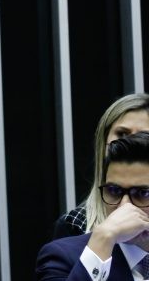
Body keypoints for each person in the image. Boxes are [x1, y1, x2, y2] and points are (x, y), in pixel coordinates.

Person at [36, 131, 149, 281]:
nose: (124, 206)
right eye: (114, 191)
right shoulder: (64, 256)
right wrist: (103, 239)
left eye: (143, 193)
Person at [53, 93, 149, 239]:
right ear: (103, 142)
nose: (130, 142)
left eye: (143, 136)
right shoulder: (75, 224)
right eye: (122, 134)